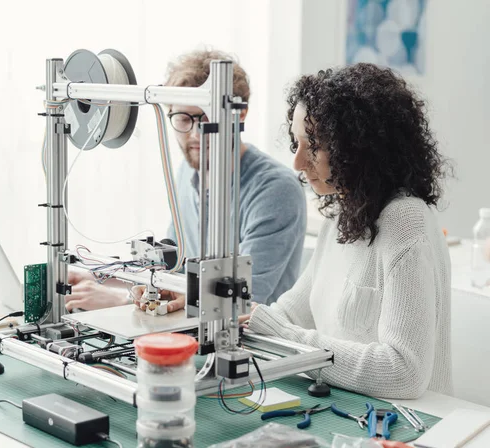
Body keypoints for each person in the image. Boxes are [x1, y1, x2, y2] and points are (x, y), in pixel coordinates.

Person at [244, 63, 453, 399]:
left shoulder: (405, 223)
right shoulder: (343, 212)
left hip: (417, 424)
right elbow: (294, 311)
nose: (297, 163)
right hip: (350, 403)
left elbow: (404, 371)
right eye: (296, 144)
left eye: (312, 146)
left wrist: (282, 334)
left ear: (357, 148)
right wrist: (232, 314)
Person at [65, 50, 306, 313]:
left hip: (254, 342)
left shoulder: (275, 191)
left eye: (206, 119)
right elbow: (175, 268)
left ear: (241, 114)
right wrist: (104, 277)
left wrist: (119, 301)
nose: (195, 135)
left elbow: (240, 298)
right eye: (183, 119)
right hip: (191, 327)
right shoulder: (186, 173)